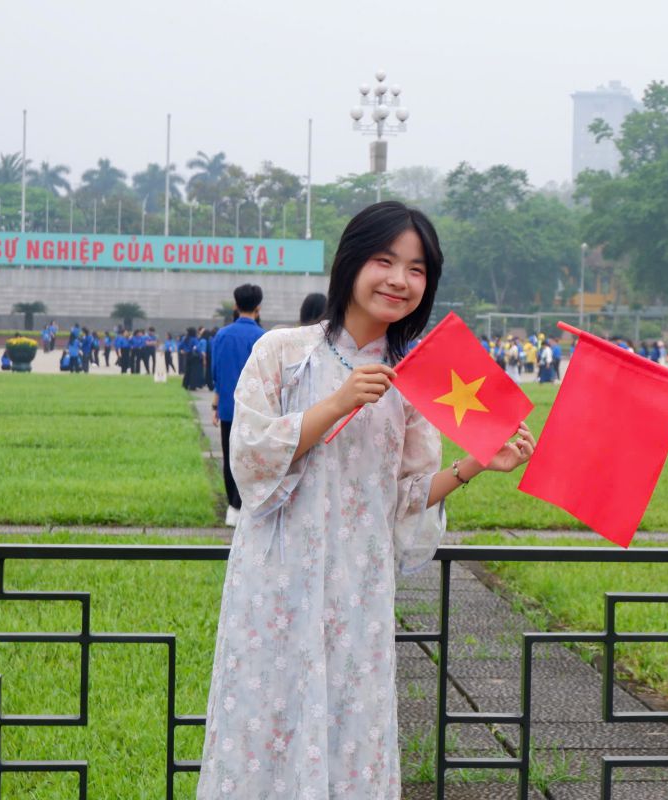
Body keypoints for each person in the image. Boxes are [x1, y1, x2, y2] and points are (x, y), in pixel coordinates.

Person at [197, 201, 536, 798]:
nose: (399, 280)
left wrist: (476, 463)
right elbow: (249, 459)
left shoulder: (413, 377)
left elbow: (405, 500)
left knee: (351, 733)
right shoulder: (283, 351)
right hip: (277, 586)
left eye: (417, 269)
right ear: (352, 263)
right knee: (266, 724)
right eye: (385, 261)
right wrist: (339, 400)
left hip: (359, 588)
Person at [210, 283, 266, 527]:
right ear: (258, 307)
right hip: (256, 411)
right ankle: (244, 503)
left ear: (235, 305)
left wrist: (215, 404)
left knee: (230, 455)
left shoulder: (222, 335)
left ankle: (233, 508)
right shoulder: (263, 337)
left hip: (228, 409)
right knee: (252, 457)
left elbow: (215, 373)